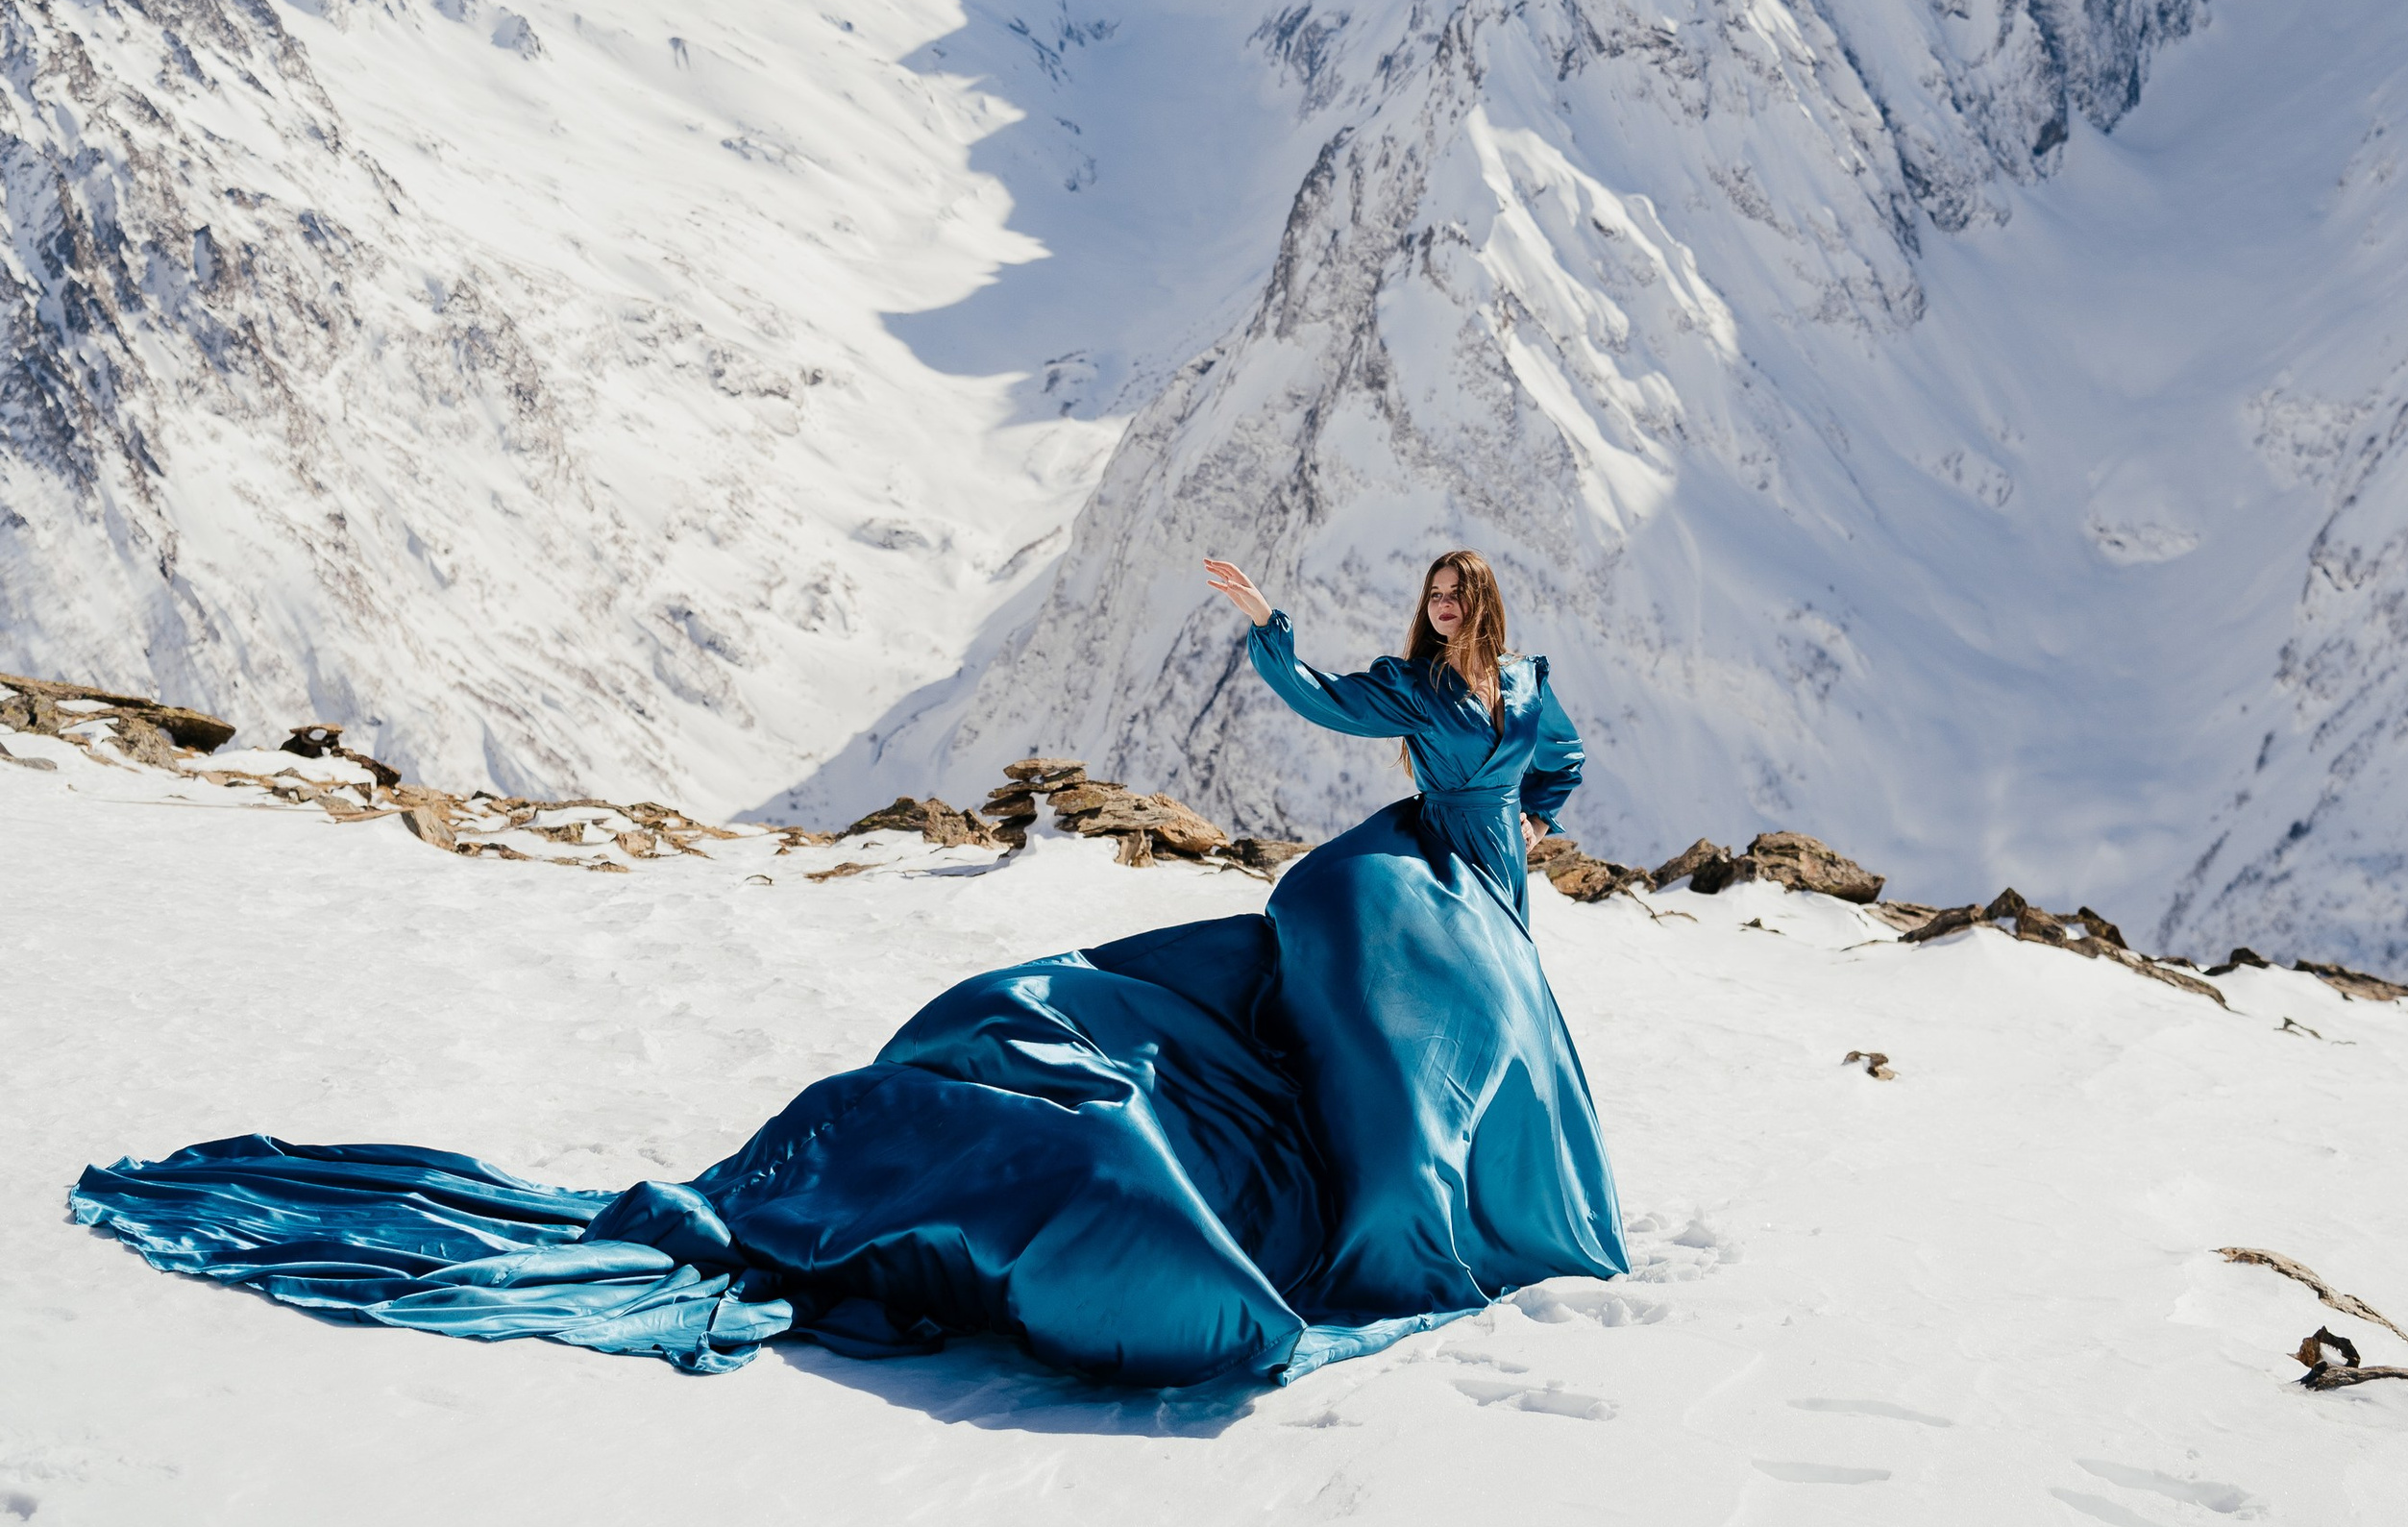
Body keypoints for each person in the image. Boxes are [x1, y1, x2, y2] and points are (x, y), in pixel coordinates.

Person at [71, 552, 1627, 1392]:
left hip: (1482, 872)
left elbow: (1556, 763)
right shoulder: (1406, 689)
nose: (1430, 616)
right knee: (1366, 1005)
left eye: (1446, 600)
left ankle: (1434, 1188)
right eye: (1421, 599)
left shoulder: (1525, 689)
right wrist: (1269, 626)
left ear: (1478, 608)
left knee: (1476, 1021)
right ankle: (1405, 1208)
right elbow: (1327, 704)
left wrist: (1517, 828)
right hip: (1415, 858)